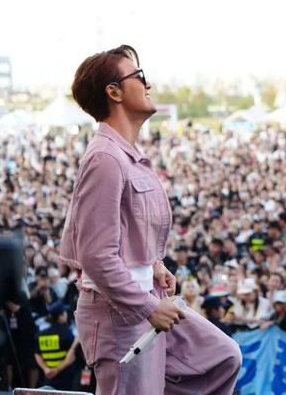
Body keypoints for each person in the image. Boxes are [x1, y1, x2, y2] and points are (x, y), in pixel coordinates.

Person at [59, 45, 184, 395]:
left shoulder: (124, 155)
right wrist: (147, 307)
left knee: (221, 357)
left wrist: (152, 264)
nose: (148, 83)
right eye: (139, 76)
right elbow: (96, 255)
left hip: (143, 298)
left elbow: (126, 230)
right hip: (120, 315)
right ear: (114, 92)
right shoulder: (105, 159)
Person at [34, 302, 76, 390]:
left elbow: (37, 354)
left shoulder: (41, 335)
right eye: (64, 312)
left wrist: (46, 369)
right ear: (60, 316)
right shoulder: (67, 334)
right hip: (65, 379)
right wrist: (56, 370)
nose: (66, 315)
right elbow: (72, 357)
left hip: (48, 378)